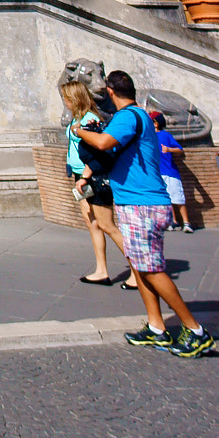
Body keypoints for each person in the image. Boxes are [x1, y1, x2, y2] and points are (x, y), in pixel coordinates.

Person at [74, 70, 214, 357]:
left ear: (111, 93)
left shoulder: (128, 116)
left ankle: (195, 330)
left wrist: (80, 131)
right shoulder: (138, 117)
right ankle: (156, 327)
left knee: (150, 268)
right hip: (137, 201)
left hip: (142, 203)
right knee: (139, 266)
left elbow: (103, 144)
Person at [59, 80, 137, 288]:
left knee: (106, 225)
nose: (64, 102)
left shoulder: (90, 119)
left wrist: (86, 174)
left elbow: (98, 151)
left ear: (74, 98)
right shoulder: (78, 117)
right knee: (91, 221)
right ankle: (101, 270)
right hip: (80, 175)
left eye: (66, 98)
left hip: (92, 176)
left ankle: (138, 271)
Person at [148, 106, 194, 232]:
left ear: (156, 123)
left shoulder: (165, 135)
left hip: (169, 172)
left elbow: (180, 149)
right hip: (157, 173)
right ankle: (174, 222)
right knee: (166, 199)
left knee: (178, 198)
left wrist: (168, 150)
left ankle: (186, 222)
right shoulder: (148, 137)